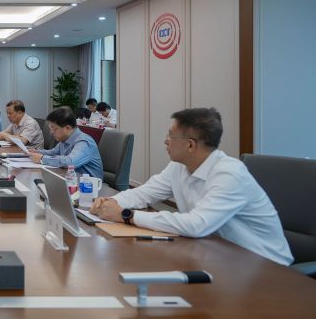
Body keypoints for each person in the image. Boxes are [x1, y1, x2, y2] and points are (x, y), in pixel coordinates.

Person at [90, 108, 293, 266]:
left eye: (171, 136)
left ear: (190, 145)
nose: (165, 141)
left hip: (265, 267)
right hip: (217, 255)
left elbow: (196, 225)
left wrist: (126, 215)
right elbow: (145, 193)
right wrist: (111, 202)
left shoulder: (229, 174)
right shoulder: (179, 166)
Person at [29, 107, 103, 178]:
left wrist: (42, 159)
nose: (51, 132)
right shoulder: (65, 138)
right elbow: (53, 152)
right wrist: (37, 152)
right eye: (50, 128)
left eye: (54, 129)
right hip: (69, 178)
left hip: (89, 184)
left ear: (67, 128)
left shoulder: (84, 142)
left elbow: (70, 162)